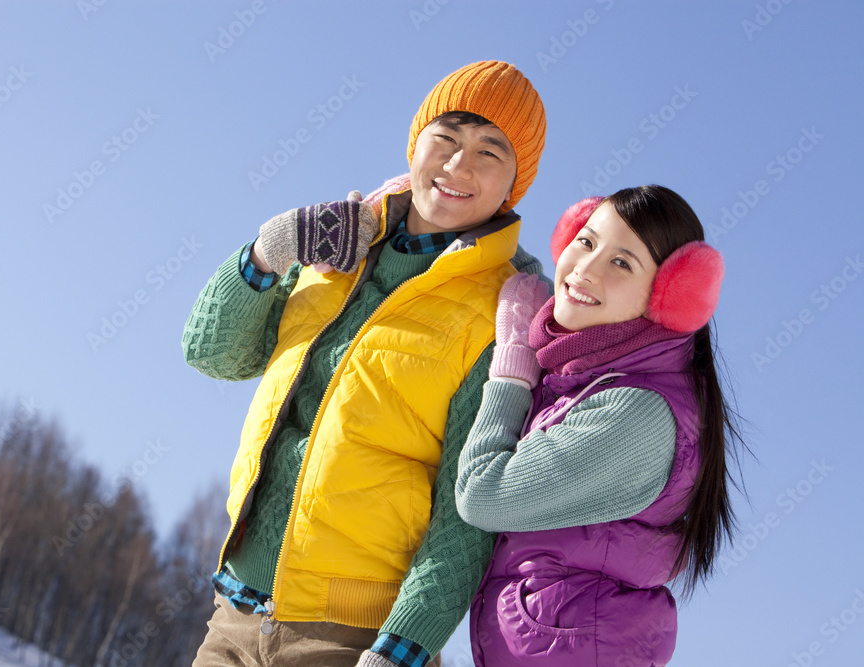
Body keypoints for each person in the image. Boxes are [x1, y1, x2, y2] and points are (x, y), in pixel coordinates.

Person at [181, 61, 549, 667]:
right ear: (416, 144)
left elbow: (469, 509)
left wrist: (405, 646)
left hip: (351, 637)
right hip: (234, 617)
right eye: (447, 137)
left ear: (515, 181)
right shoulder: (338, 244)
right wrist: (270, 250)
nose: (459, 165)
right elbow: (212, 352)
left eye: (491, 151)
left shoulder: (501, 310)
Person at [455, 185, 743, 666]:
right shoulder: (586, 379)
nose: (586, 269)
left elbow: (483, 494)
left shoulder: (636, 413)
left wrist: (511, 368)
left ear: (669, 296)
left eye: (622, 263)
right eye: (586, 242)